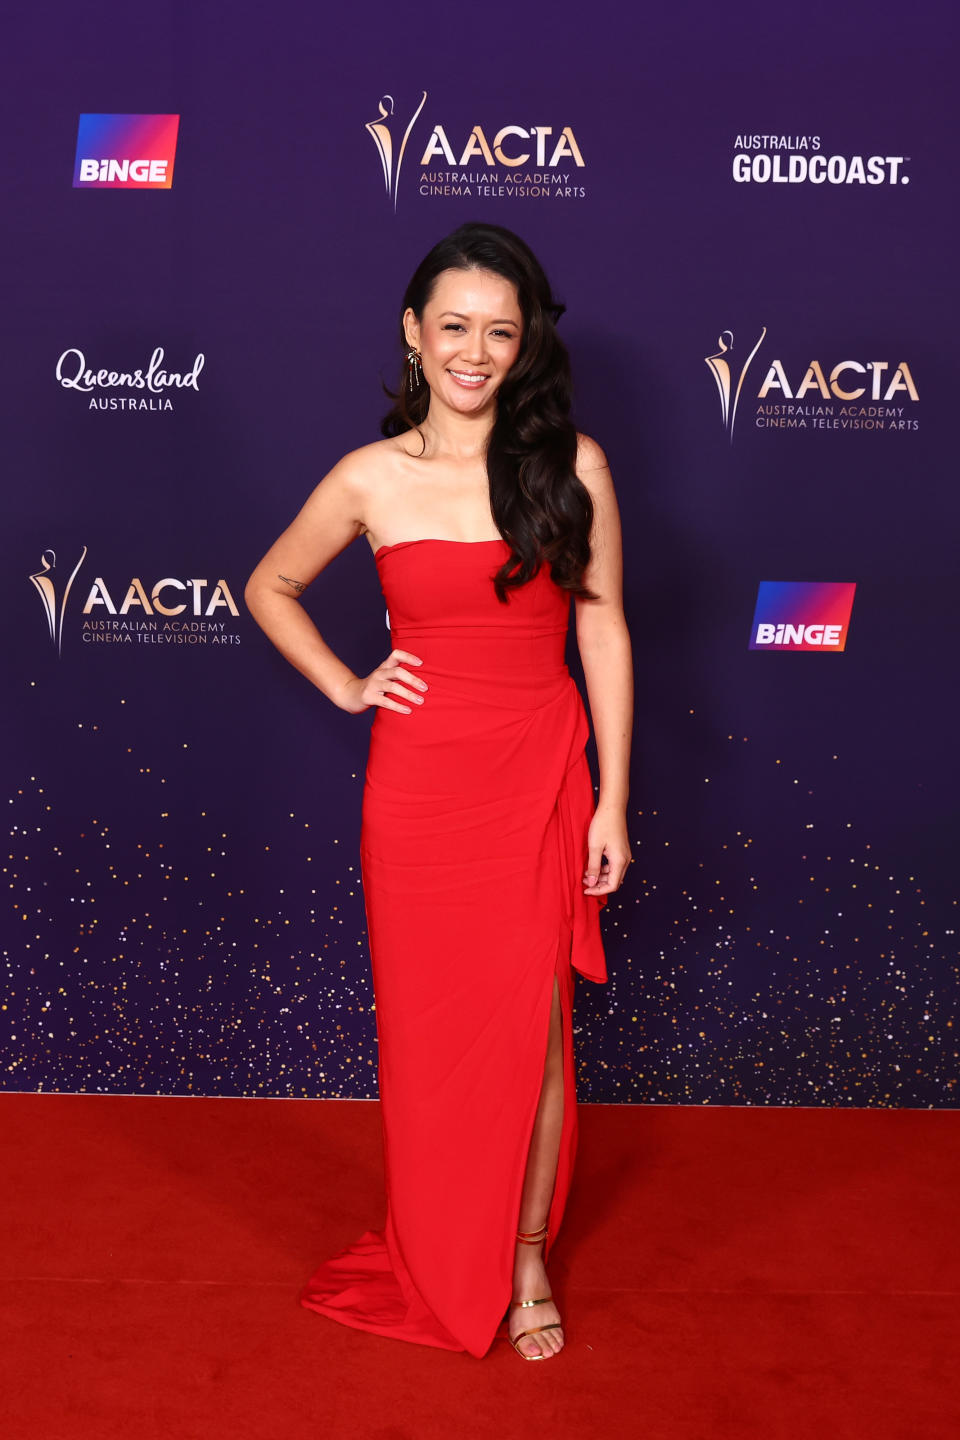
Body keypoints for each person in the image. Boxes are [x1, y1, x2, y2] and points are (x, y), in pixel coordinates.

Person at [244, 221, 633, 1361]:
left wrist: (611, 799)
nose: (476, 351)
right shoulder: (369, 477)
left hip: (539, 774)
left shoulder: (573, 466)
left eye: (500, 332)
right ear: (413, 335)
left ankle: (520, 1253)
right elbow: (267, 584)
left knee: (542, 1036)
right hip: (419, 797)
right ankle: (432, 1240)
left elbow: (603, 627)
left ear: (527, 346)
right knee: (430, 1040)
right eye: (454, 326)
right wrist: (347, 683)